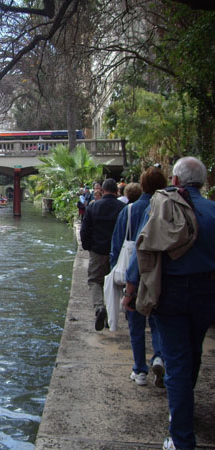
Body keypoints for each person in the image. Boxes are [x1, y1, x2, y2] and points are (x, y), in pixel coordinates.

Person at [124, 157, 215, 450]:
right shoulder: (213, 211)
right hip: (206, 292)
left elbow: (144, 248)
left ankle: (181, 437)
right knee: (194, 351)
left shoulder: (161, 207)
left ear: (175, 181)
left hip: (170, 292)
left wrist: (130, 289)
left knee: (176, 360)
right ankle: (183, 407)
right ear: (203, 182)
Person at [110, 167, 167, 387]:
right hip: (158, 274)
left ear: (142, 185)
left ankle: (139, 370)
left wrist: (116, 272)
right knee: (158, 322)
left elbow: (117, 245)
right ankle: (159, 357)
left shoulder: (130, 210)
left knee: (136, 325)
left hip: (134, 274)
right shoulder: (167, 208)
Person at [80, 178, 125, 331]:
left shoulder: (93, 207)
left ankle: (99, 307)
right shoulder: (122, 208)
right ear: (116, 191)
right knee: (115, 284)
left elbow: (84, 230)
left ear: (102, 190)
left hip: (98, 250)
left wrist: (88, 246)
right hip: (117, 252)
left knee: (94, 280)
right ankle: (111, 317)